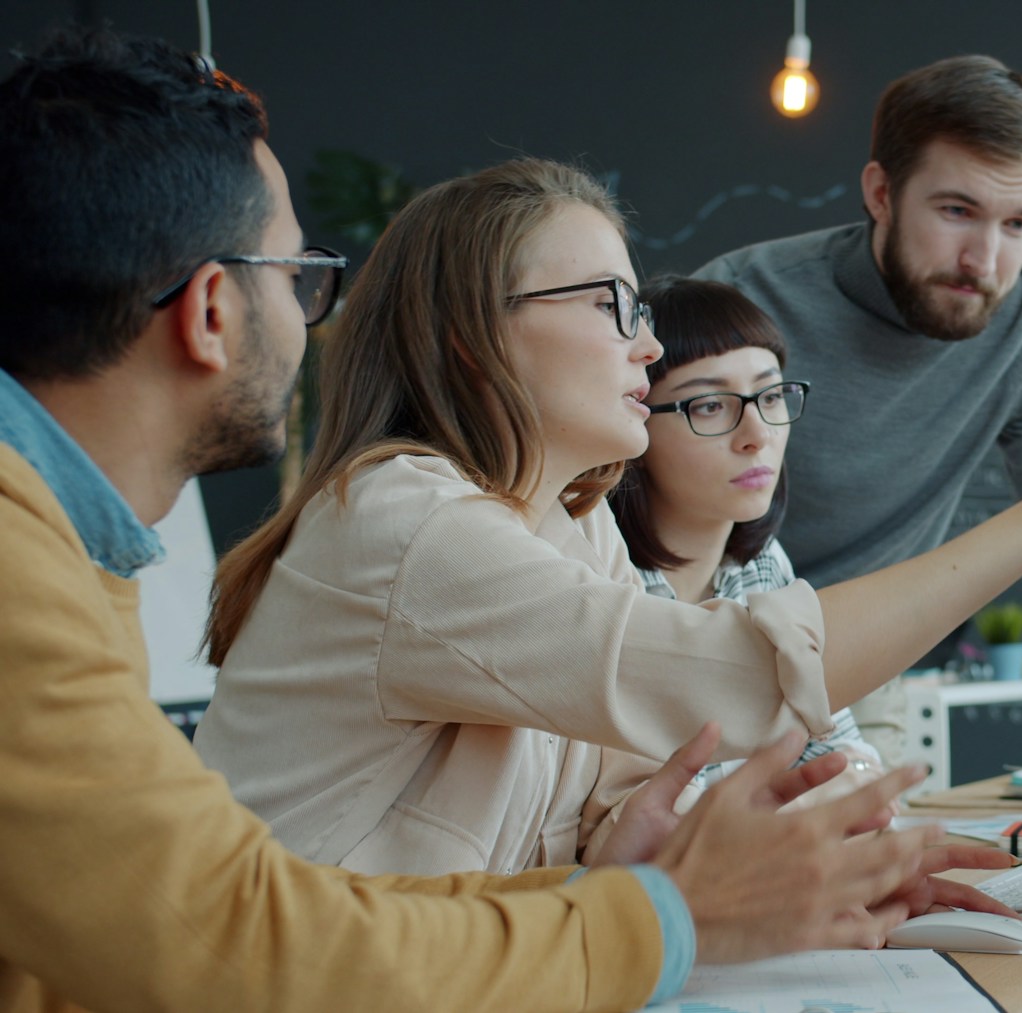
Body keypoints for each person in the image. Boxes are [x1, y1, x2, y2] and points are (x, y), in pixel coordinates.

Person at [0, 28, 954, 1013]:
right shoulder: (394, 514)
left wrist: (611, 879)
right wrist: (664, 915)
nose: (308, 314)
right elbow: (225, 942)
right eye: (293, 276)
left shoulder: (66, 544)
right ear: (210, 311)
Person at [193, 152, 1022, 880]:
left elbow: (566, 826)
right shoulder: (408, 515)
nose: (646, 347)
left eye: (639, 309)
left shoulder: (576, 522)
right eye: (608, 305)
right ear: (475, 340)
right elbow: (731, 674)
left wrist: (638, 848)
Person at [695, 55, 1022, 816]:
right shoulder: (742, 304)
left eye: (1019, 224)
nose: (985, 260)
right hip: (700, 665)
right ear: (881, 193)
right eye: (956, 212)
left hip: (857, 680)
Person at [611, 276, 883, 817]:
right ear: (635, 422)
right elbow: (655, 815)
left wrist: (837, 788)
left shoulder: (757, 564)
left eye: (771, 394)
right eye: (710, 405)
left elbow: (847, 757)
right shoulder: (602, 577)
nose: (757, 433)